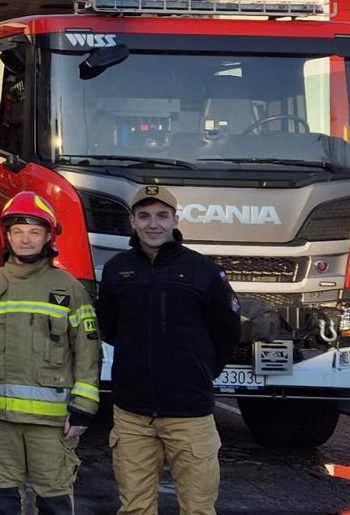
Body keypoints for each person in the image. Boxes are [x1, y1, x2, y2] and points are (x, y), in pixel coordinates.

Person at [96, 186, 240, 515]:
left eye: (162, 216)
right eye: (144, 216)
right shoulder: (117, 270)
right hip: (132, 414)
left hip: (189, 414)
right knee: (135, 508)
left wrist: (199, 371)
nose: (153, 224)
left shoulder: (203, 271)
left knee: (198, 509)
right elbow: (111, 328)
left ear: (175, 220)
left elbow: (227, 332)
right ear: (132, 221)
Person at [0, 192, 100, 515]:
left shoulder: (69, 289)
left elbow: (88, 352)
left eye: (34, 232)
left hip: (51, 425)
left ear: (49, 237)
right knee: (0, 501)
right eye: (18, 231)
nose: (25, 239)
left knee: (54, 502)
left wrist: (84, 407)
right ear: (6, 235)